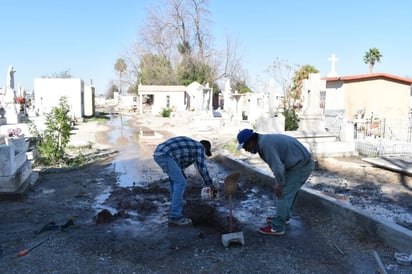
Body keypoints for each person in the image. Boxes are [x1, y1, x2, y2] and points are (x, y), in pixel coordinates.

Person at [236, 128, 315, 236]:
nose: (246, 150)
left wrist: (280, 184)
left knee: (284, 194)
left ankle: (277, 227)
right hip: (297, 165)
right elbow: (278, 166)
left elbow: (277, 168)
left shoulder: (265, 145)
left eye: (245, 146)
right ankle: (284, 217)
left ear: (251, 141)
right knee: (288, 193)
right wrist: (280, 183)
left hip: (301, 166)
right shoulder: (263, 141)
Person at [153, 136, 214, 226]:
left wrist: (183, 175)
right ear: (206, 148)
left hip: (160, 153)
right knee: (180, 182)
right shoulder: (200, 147)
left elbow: (178, 164)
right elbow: (202, 168)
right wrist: (210, 184)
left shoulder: (190, 146)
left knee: (176, 180)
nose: (204, 155)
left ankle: (176, 202)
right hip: (165, 155)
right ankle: (175, 217)